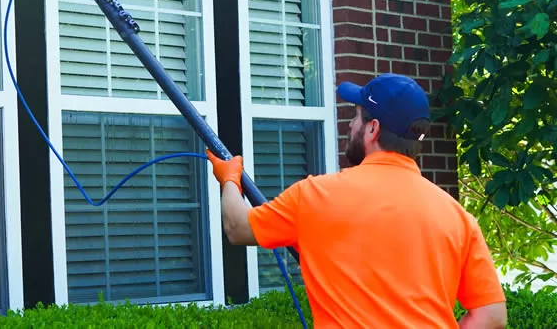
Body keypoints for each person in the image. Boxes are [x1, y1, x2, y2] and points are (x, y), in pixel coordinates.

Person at [207, 73, 507, 328]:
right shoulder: (456, 216)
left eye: (356, 117)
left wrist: (230, 178)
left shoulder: (316, 196)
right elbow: (492, 316)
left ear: (373, 128)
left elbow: (237, 227)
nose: (351, 126)